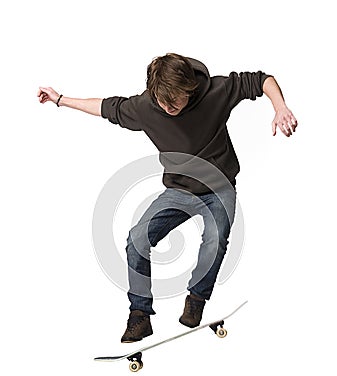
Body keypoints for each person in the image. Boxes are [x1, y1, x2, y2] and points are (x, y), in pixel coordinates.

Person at [38, 53, 297, 343]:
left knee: (215, 239)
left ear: (189, 89)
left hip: (219, 187)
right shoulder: (147, 107)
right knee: (137, 240)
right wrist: (60, 99)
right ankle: (139, 315)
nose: (168, 108)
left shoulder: (216, 92)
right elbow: (104, 107)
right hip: (178, 190)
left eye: (175, 101)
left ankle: (196, 299)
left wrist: (280, 107)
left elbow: (262, 80)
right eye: (162, 102)